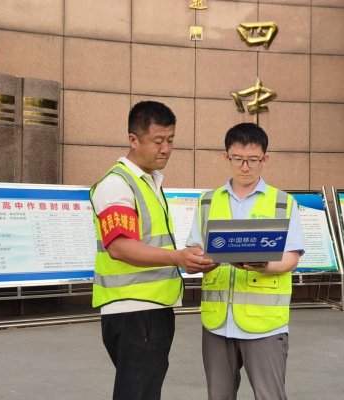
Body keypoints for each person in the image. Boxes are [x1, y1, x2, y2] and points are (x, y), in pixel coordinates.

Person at [90, 100, 214, 400]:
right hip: (135, 310)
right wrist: (178, 258)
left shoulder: (147, 183)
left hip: (150, 308)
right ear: (133, 139)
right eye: (158, 141)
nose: (166, 149)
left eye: (170, 140)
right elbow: (120, 247)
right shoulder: (118, 185)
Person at [186, 122, 305, 400]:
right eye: (237, 159)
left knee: (269, 396)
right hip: (217, 322)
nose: (245, 167)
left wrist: (265, 265)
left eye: (253, 160)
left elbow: (291, 257)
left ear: (265, 159)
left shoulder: (283, 202)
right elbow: (194, 248)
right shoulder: (207, 201)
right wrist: (201, 260)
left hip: (265, 325)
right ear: (226, 156)